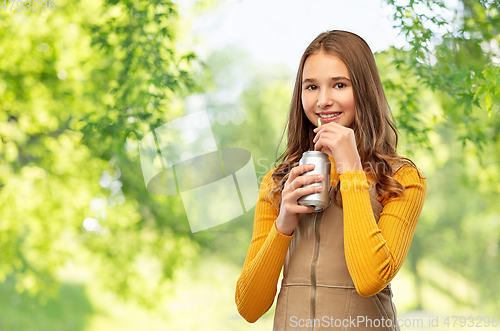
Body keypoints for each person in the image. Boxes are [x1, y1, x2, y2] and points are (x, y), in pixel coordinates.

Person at [235, 30, 427, 331]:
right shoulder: (278, 182)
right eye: (311, 87)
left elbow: (370, 280)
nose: (323, 101)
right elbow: (249, 307)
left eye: (339, 85)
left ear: (363, 90)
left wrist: (351, 170)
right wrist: (284, 223)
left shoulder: (401, 179)